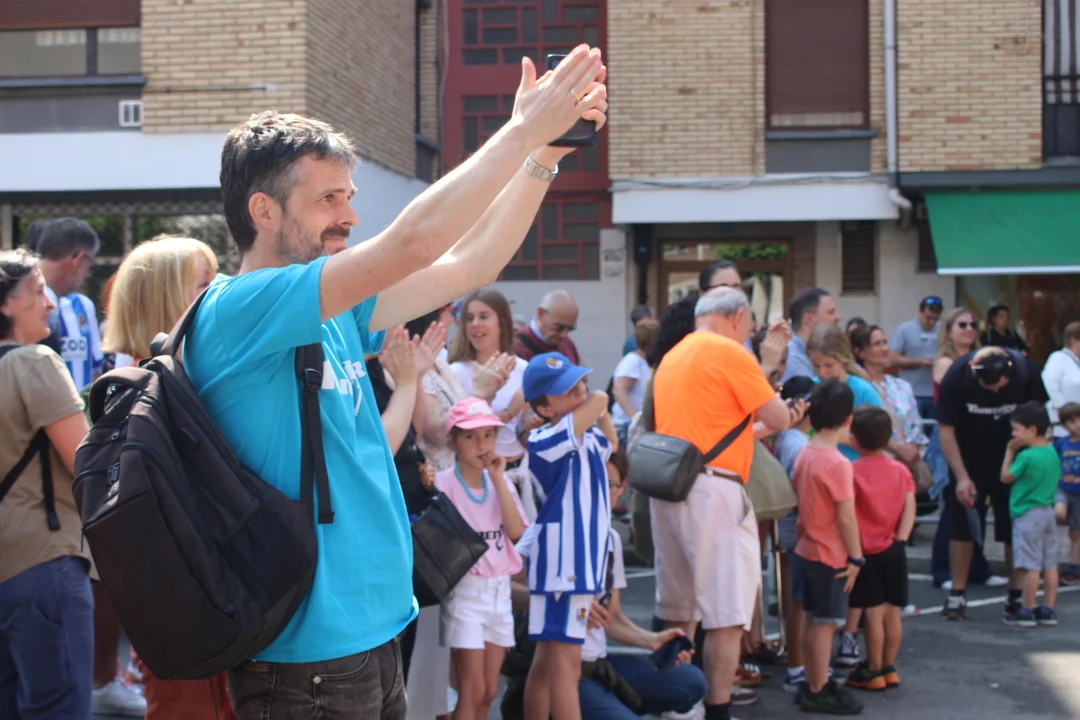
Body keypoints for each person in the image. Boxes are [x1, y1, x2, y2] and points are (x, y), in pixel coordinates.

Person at [183, 47, 608, 719]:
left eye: (349, 197)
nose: (349, 217)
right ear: (262, 210)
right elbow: (414, 243)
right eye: (328, 199)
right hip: (307, 656)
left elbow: (471, 262)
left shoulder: (332, 308)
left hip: (374, 629)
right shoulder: (240, 308)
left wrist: (543, 157)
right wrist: (522, 129)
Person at [650, 287, 798, 720]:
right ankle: (717, 709)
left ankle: (677, 705)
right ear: (737, 318)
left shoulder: (672, 356)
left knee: (679, 610)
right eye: (749, 326)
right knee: (727, 613)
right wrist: (776, 382)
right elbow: (777, 417)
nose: (748, 334)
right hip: (714, 488)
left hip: (671, 484)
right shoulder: (731, 353)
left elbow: (715, 427)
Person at [102, 236, 232, 720]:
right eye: (204, 285)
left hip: (203, 599)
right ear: (165, 301)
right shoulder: (148, 390)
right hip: (188, 604)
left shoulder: (169, 378)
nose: (219, 292)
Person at [0, 249, 94, 719]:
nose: (51, 303)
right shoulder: (34, 363)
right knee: (59, 706)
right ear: (5, 304)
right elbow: (85, 463)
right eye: (37, 292)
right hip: (41, 561)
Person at [520, 351, 617, 720]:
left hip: (577, 565)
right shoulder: (545, 439)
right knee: (566, 667)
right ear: (544, 408)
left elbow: (612, 444)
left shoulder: (585, 435)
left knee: (550, 662)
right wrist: (595, 400)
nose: (580, 390)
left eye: (580, 383)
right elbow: (601, 399)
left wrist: (595, 410)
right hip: (564, 567)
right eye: (567, 389)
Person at [578, 450, 708, 719]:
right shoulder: (557, 529)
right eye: (592, 481)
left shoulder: (611, 539)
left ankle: (612, 707)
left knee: (691, 681)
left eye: (610, 484)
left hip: (598, 663)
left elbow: (611, 617)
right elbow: (509, 586)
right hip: (567, 669)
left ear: (621, 489)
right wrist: (566, 601)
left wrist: (652, 640)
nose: (601, 491)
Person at [936, 346, 1049, 621]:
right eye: (989, 387)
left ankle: (1016, 595)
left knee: (1015, 527)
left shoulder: (1026, 372)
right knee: (962, 525)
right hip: (970, 457)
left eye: (1001, 385)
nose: (997, 390)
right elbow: (946, 431)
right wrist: (962, 477)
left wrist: (1036, 466)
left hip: (1016, 459)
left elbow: (1041, 423)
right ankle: (957, 594)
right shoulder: (957, 378)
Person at [436, 397, 528, 720]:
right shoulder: (443, 482)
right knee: (472, 689)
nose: (482, 444)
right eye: (470, 436)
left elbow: (515, 531)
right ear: (453, 441)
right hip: (464, 592)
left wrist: (499, 479)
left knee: (489, 691)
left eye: (489, 435)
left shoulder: (500, 481)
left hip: (499, 592)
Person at [790, 379, 864, 715]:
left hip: (806, 546)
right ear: (848, 419)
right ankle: (819, 688)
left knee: (811, 620)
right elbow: (846, 517)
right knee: (826, 625)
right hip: (830, 553)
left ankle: (811, 680)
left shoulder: (805, 452)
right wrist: (857, 557)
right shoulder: (837, 463)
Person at [843, 407, 915, 694]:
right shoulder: (900, 470)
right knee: (892, 610)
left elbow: (848, 512)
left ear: (854, 439)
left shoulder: (851, 471)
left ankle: (872, 669)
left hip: (866, 550)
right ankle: (888, 666)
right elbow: (909, 507)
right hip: (894, 547)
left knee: (872, 612)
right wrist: (901, 539)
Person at [26, 218, 104, 393]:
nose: (87, 275)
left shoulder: (83, 305)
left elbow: (95, 370)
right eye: (90, 266)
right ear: (78, 260)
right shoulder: (18, 301)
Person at [1000, 402, 1060, 627]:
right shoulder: (1052, 452)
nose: (1014, 434)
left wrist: (1009, 451)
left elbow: (1006, 477)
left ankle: (1027, 608)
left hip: (1027, 513)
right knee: (1050, 564)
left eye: (1017, 429)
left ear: (1032, 430)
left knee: (1030, 565)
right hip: (1047, 510)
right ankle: (1048, 608)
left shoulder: (1026, 456)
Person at [773, 376, 816, 693]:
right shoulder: (796, 442)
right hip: (798, 527)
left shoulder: (787, 437)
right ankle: (798, 665)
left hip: (789, 525)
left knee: (796, 598)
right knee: (799, 600)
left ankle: (799, 660)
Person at [890, 296, 943, 419]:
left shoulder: (943, 330)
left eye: (935, 319)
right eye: (928, 318)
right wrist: (918, 362)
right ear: (920, 311)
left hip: (937, 393)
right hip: (911, 393)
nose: (931, 322)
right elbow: (892, 359)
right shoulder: (905, 329)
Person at [610, 317, 658, 446]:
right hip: (626, 426)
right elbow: (619, 390)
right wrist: (634, 418)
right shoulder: (633, 361)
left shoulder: (645, 361)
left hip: (633, 426)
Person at [782, 288, 840, 383]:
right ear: (809, 319)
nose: (838, 317)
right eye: (831, 312)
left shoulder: (822, 351)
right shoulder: (793, 361)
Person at [515, 289, 583, 364]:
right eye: (559, 327)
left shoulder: (568, 344)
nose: (564, 335)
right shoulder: (516, 348)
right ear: (541, 313)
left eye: (570, 328)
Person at [1054, 402, 1080, 585]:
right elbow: (1053, 463)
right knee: (1058, 513)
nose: (1077, 424)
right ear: (1064, 426)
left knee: (1076, 532)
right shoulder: (1061, 443)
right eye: (1071, 421)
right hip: (1062, 488)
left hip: (1078, 493)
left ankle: (1073, 565)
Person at [932, 307, 979, 402]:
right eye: (963, 325)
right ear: (949, 333)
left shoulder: (979, 358)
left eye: (973, 325)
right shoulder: (945, 362)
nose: (969, 329)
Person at [1042, 321, 1080, 438]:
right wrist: (1067, 414)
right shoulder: (1057, 358)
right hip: (1065, 426)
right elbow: (1051, 385)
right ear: (1074, 341)